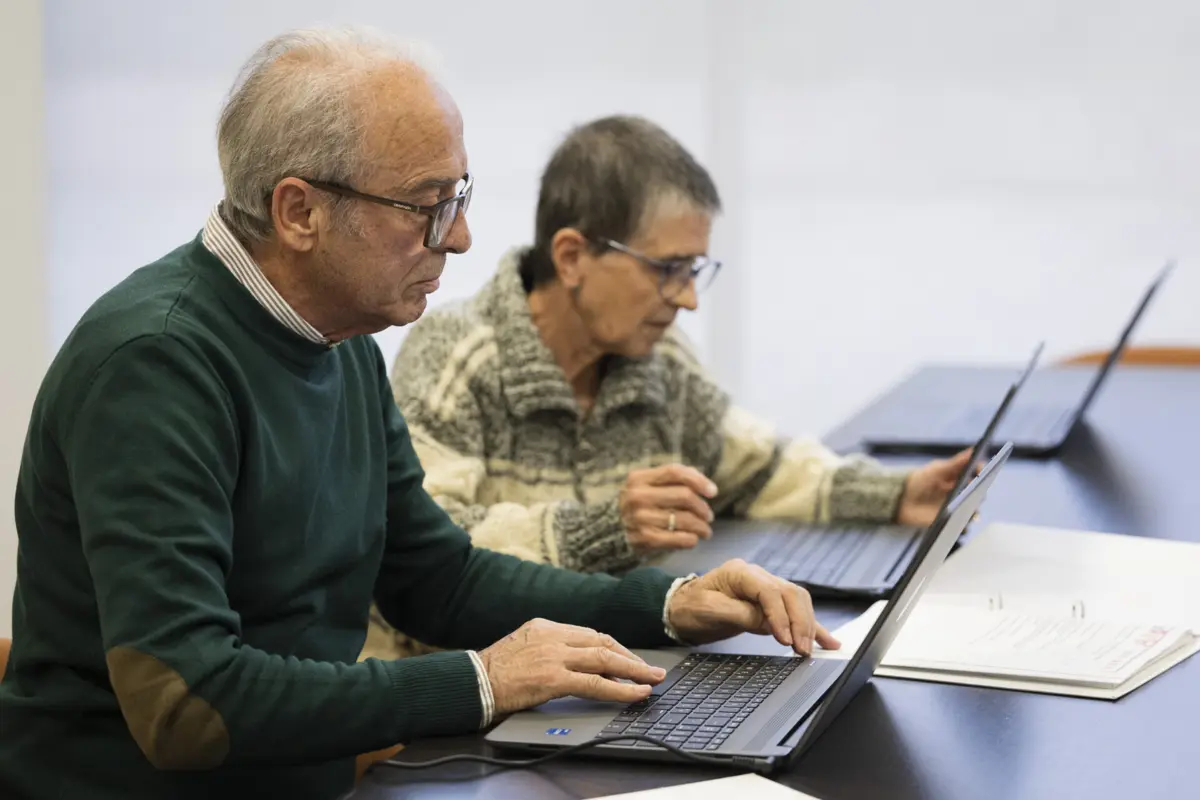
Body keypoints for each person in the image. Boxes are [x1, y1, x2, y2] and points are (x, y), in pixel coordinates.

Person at [0, 28, 838, 800]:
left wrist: (667, 606)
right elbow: (188, 706)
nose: (465, 236)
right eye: (428, 204)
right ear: (299, 212)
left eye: (461, 194)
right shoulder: (156, 365)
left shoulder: (339, 337)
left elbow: (437, 578)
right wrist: (482, 680)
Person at [372, 114, 970, 658]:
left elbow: (759, 466)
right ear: (573, 256)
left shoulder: (657, 354)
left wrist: (897, 494)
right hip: (467, 698)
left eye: (695, 271)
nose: (687, 298)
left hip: (616, 665)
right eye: (668, 269)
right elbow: (429, 563)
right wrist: (603, 530)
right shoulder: (454, 355)